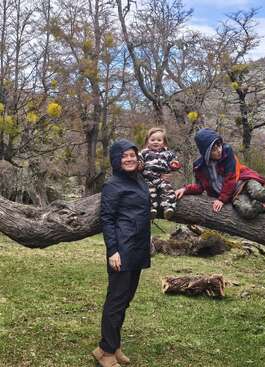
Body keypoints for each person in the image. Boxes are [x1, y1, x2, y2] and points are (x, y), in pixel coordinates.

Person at [92, 139, 151, 367]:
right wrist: (113, 251)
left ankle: (112, 346)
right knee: (116, 301)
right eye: (124, 155)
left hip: (138, 249)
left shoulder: (140, 180)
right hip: (122, 250)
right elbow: (107, 220)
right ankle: (106, 353)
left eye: (132, 155)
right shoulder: (112, 185)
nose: (129, 159)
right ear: (116, 159)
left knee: (125, 300)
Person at [175, 128, 265, 220]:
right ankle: (263, 207)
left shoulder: (227, 152)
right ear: (206, 153)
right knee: (247, 212)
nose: (219, 150)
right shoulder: (200, 167)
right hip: (234, 195)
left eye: (219, 146)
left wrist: (221, 199)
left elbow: (231, 178)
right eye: (214, 150)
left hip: (244, 181)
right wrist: (185, 189)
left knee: (257, 193)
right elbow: (200, 187)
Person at [140, 127, 182, 220]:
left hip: (162, 179)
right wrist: (140, 165)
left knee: (168, 190)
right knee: (149, 192)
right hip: (148, 179)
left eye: (159, 140)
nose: (156, 142)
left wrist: (174, 165)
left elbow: (174, 162)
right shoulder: (144, 152)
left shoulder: (168, 153)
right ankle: (151, 209)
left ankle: (169, 208)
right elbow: (139, 161)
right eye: (152, 140)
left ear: (164, 142)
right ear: (148, 141)